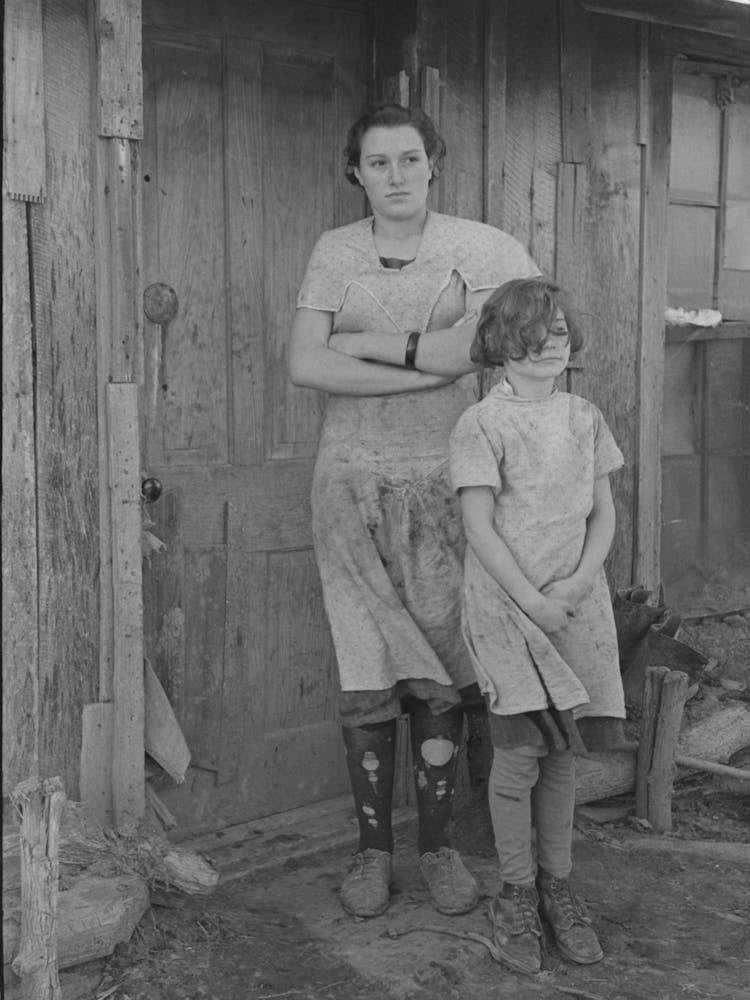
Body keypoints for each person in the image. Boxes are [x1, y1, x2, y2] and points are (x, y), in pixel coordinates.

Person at [289, 103, 541, 919]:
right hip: (349, 485)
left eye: (408, 160)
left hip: (446, 483)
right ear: (355, 172)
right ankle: (372, 857)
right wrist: (428, 371)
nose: (395, 176)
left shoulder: (485, 249)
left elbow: (497, 344)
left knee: (439, 673)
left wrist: (367, 346)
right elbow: (304, 364)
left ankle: (435, 850)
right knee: (365, 670)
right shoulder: (336, 251)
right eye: (377, 162)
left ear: (433, 163)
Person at [448, 277, 626, 973]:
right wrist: (531, 599)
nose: (547, 345)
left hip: (575, 606)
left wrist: (578, 584)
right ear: (500, 342)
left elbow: (603, 512)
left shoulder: (585, 418)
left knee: (561, 755)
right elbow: (479, 527)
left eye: (557, 332)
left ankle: (558, 886)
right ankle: (515, 894)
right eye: (531, 334)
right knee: (520, 755)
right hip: (506, 608)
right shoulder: (482, 425)